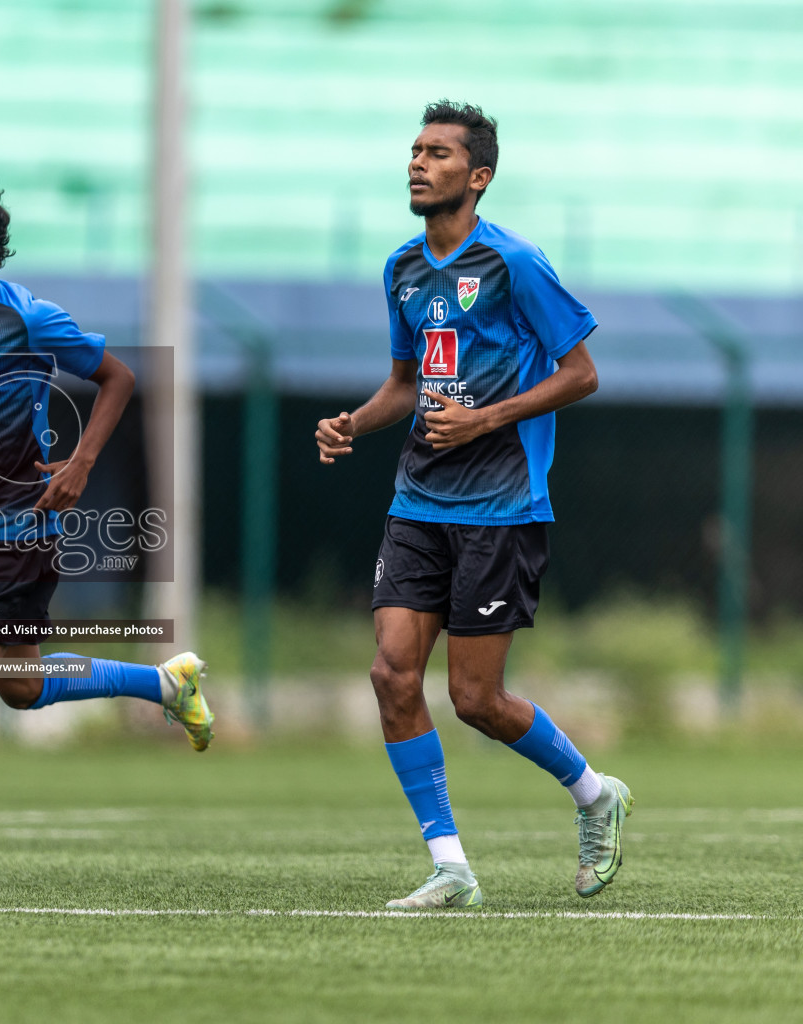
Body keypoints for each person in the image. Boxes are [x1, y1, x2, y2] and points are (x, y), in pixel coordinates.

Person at [314, 101, 632, 910]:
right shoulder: (402, 269)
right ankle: (451, 866)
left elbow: (582, 372)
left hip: (501, 509)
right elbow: (406, 384)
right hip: (418, 501)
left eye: (438, 153)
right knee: (391, 675)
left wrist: (485, 419)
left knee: (476, 701)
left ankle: (596, 795)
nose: (418, 163)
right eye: (415, 150)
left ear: (477, 176)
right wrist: (354, 422)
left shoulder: (515, 263)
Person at [0, 174, 213, 890]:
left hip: (24, 513)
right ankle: (165, 684)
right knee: (19, 684)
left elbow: (118, 378)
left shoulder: (27, 317)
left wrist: (83, 463)